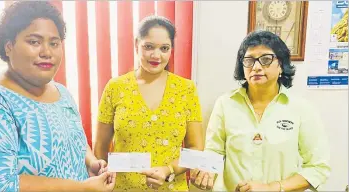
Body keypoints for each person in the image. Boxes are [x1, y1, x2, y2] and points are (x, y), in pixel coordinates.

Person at [0, 1, 115, 191]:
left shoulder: (62, 93)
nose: (47, 52)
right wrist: (82, 188)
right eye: (34, 42)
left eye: (54, 43)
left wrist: (91, 162)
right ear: (8, 46)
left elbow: (76, 141)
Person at [191, 31, 331, 191]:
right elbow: (214, 150)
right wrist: (206, 170)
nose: (256, 67)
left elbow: (318, 168)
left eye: (266, 59)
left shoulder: (301, 108)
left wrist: (273, 187)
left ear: (281, 66)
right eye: (249, 60)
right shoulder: (225, 104)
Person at [93, 15, 204, 191]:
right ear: (137, 44)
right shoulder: (116, 87)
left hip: (172, 187)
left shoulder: (186, 89)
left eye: (164, 48)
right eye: (149, 47)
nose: (156, 55)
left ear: (171, 50)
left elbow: (196, 149)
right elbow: (100, 149)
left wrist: (169, 170)